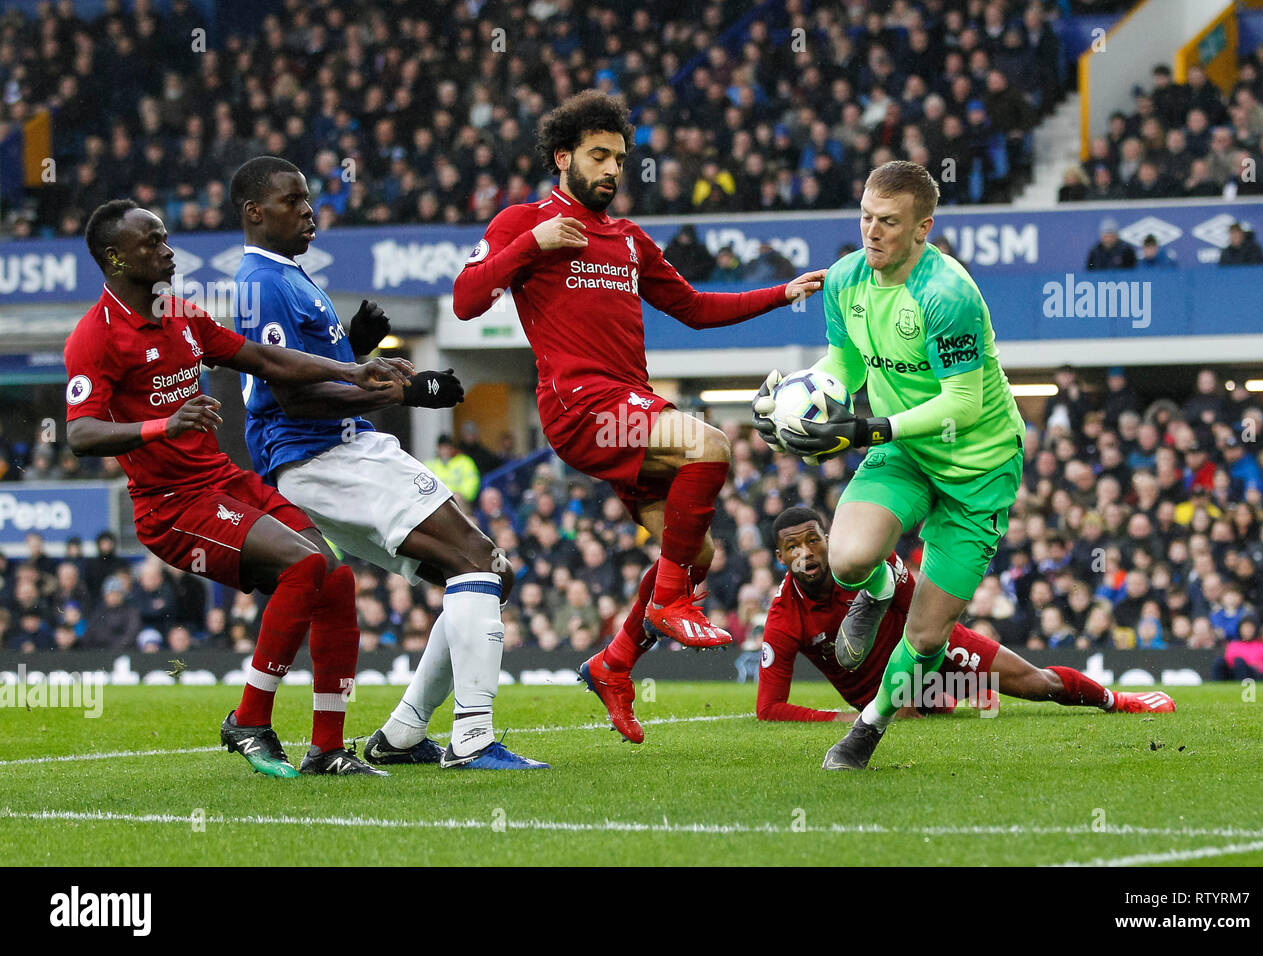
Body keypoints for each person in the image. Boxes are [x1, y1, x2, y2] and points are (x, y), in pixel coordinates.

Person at [453, 90, 826, 743]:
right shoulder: (525, 220)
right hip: (579, 405)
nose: (613, 170)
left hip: (629, 407)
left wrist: (783, 294)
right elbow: (464, 300)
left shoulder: (628, 239)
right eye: (599, 156)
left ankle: (615, 662)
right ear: (563, 157)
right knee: (709, 446)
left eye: (620, 159)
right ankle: (669, 602)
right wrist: (531, 245)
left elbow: (696, 308)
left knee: (700, 550)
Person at [65, 199, 409, 777]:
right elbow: (80, 432)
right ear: (114, 258)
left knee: (336, 578)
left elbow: (259, 356)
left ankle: (327, 749)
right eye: (152, 243)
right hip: (171, 508)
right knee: (303, 567)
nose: (168, 251)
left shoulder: (179, 311)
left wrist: (352, 368)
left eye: (166, 237)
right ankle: (250, 718)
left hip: (222, 481)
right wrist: (161, 425)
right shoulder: (94, 338)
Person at [229, 156, 545, 770]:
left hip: (335, 452)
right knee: (478, 561)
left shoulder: (286, 275)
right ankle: (473, 739)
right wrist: (404, 392)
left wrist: (354, 347)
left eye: (308, 199)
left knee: (485, 576)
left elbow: (313, 369)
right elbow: (287, 391)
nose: (308, 210)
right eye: (292, 201)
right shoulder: (261, 281)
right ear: (254, 212)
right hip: (326, 453)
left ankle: (402, 736)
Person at [753, 160, 1027, 770]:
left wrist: (870, 426)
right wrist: (801, 399)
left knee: (927, 638)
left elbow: (962, 402)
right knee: (848, 558)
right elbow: (844, 363)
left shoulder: (946, 294)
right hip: (905, 453)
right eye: (866, 218)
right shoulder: (845, 279)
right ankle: (877, 588)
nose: (872, 233)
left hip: (978, 469)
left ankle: (868, 728)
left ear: (922, 227)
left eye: (889, 223)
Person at [758, 508, 1175, 721]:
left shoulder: (870, 560)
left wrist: (927, 659)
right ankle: (950, 698)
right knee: (923, 716)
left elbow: (916, 607)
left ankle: (1116, 700)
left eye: (813, 540)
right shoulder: (783, 618)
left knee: (1036, 683)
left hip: (926, 644)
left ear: (829, 539)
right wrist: (847, 717)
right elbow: (769, 708)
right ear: (780, 557)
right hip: (878, 696)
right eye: (793, 547)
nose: (806, 553)